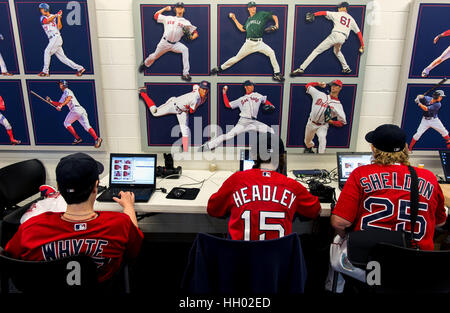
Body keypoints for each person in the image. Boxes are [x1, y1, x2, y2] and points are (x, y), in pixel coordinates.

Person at [5, 153, 144, 283]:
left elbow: (10, 257)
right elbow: (133, 251)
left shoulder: (31, 228)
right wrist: (129, 207)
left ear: (59, 187)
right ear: (96, 186)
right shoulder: (119, 224)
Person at [331, 124, 447, 250]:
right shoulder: (428, 177)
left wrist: (343, 239)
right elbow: (440, 222)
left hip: (368, 257)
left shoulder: (361, 174)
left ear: (374, 149)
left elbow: (340, 223)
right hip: (415, 257)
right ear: (405, 148)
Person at [207, 135, 321, 240]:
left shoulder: (237, 180)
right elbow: (315, 210)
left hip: (239, 259)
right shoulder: (292, 186)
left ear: (254, 156)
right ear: (282, 158)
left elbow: (213, 209)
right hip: (277, 260)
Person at [211, 1, 284, 82]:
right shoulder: (248, 20)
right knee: (236, 58)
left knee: (271, 52)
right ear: (248, 9)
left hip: (259, 43)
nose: (254, 8)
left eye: (254, 6)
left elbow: (274, 16)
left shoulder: (261, 14)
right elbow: (242, 29)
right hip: (249, 43)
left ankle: (277, 74)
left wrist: (276, 25)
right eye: (252, 7)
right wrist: (234, 19)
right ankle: (220, 68)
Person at [291, 1, 364, 75]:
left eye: (340, 7)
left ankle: (301, 68)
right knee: (337, 52)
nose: (338, 8)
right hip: (342, 38)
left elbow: (324, 13)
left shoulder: (337, 14)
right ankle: (346, 68)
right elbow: (358, 33)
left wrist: (314, 14)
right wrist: (362, 45)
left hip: (336, 35)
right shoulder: (351, 19)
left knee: (316, 51)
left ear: (344, 8)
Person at [200, 80, 275, 152]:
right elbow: (228, 105)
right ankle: (208, 146)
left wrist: (271, 105)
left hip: (254, 122)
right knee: (228, 136)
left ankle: (269, 150)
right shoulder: (241, 99)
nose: (252, 87)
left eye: (252, 85)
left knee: (270, 131)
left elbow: (265, 101)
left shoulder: (258, 95)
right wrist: (224, 93)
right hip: (243, 122)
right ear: (245, 87)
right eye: (250, 85)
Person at [139, 81, 209, 152]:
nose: (204, 91)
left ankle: (185, 150)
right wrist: (193, 103)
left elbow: (195, 85)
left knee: (185, 131)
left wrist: (194, 91)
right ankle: (143, 93)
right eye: (203, 89)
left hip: (182, 112)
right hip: (173, 105)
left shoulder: (197, 89)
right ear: (200, 88)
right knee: (155, 112)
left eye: (206, 89)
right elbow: (191, 111)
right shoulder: (195, 99)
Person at [139, 2, 198, 81]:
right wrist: (165, 9)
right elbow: (156, 16)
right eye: (178, 7)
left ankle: (185, 73)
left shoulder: (186, 22)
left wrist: (192, 37)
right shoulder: (168, 18)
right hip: (164, 43)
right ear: (175, 9)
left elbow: (196, 33)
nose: (180, 8)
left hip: (175, 44)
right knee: (154, 56)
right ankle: (145, 64)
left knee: (185, 49)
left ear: (184, 9)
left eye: (181, 7)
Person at [46, 80, 102, 148]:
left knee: (66, 123)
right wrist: (51, 101)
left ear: (64, 84)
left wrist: (61, 106)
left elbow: (68, 99)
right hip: (81, 110)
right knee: (87, 127)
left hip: (75, 109)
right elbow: (59, 103)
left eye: (61, 84)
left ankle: (78, 138)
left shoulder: (67, 90)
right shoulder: (64, 94)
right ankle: (97, 138)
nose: (59, 85)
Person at [37, 3, 85, 77]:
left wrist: (59, 17)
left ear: (46, 9)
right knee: (63, 59)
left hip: (56, 37)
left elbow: (59, 27)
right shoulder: (42, 17)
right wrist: (56, 15)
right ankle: (80, 68)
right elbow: (46, 21)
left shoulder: (54, 17)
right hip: (52, 39)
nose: (41, 11)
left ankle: (45, 71)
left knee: (47, 51)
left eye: (42, 9)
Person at [303, 80, 346, 154]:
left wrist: (331, 122)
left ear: (340, 88)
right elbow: (308, 86)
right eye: (332, 85)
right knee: (307, 141)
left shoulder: (338, 105)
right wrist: (318, 84)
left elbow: (342, 122)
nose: (333, 87)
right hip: (311, 122)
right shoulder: (320, 95)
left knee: (322, 139)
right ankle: (309, 148)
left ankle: (320, 157)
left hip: (323, 125)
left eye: (335, 85)